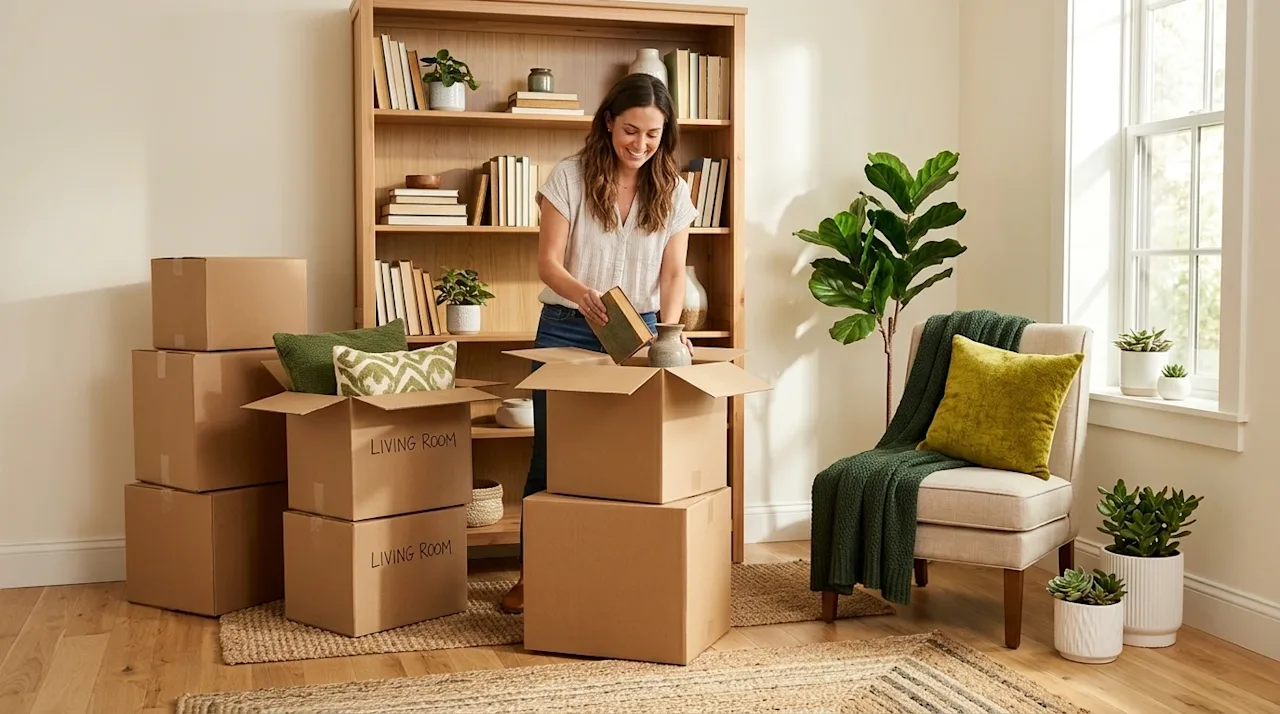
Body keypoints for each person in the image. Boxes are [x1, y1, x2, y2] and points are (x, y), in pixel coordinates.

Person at [498, 72, 699, 614]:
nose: (640, 145)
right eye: (630, 130)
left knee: (627, 456)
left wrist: (670, 333)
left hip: (640, 333)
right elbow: (547, 262)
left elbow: (675, 272)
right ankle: (531, 574)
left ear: (666, 134)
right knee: (551, 455)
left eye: (653, 135)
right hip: (567, 325)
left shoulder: (674, 188)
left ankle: (611, 571)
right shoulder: (568, 176)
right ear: (609, 122)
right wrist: (584, 294)